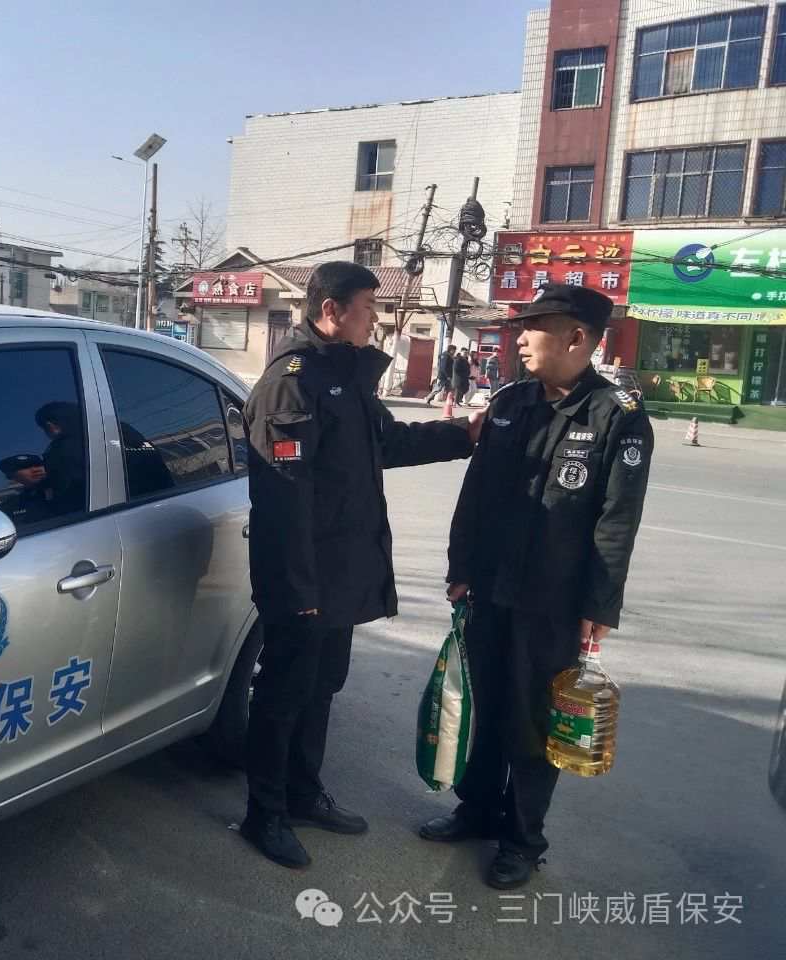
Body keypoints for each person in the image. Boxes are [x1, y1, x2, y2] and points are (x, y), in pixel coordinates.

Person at [241, 261, 483, 869]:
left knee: (322, 686)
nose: (375, 318)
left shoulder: (342, 377)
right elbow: (283, 500)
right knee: (283, 693)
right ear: (332, 310)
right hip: (303, 577)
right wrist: (298, 590)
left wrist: (463, 435)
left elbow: (388, 443)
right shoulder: (292, 383)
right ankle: (264, 814)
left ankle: (303, 793)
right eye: (369, 307)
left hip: (338, 572)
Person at [419, 284, 653, 889]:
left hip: (553, 601)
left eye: (534, 327)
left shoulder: (617, 416)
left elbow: (617, 521)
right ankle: (475, 810)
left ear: (576, 338)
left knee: (531, 720)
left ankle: (522, 840)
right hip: (488, 587)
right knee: (483, 705)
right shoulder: (510, 402)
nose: (519, 338)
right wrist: (460, 569)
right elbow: (475, 495)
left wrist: (599, 605)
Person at [0, 453, 55, 524]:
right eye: (24, 467)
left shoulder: (65, 489)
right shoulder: (8, 508)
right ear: (10, 476)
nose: (36, 470)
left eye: (38, 465)